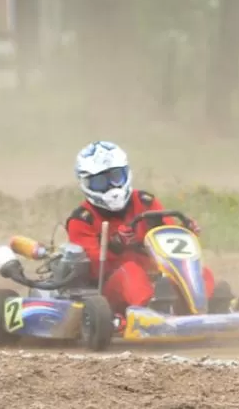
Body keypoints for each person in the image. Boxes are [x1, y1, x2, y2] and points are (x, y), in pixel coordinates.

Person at [65, 140, 214, 332]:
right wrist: (114, 246)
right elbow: (91, 269)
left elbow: (168, 239)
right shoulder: (82, 220)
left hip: (157, 278)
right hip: (109, 291)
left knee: (201, 273)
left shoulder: (145, 203)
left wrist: (185, 232)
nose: (111, 186)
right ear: (86, 183)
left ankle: (203, 309)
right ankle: (150, 312)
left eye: (116, 177)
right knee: (131, 271)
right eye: (101, 181)